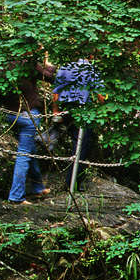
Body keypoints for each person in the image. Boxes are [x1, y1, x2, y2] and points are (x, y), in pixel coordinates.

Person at [3, 50, 56, 204]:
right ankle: (16, 196)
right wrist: (49, 65)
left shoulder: (3, 63)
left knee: (29, 147)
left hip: (10, 114)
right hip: (28, 116)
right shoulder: (28, 64)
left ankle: (37, 187)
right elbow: (50, 78)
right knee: (24, 154)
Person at [52, 58, 105, 191]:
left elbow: (56, 93)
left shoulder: (64, 67)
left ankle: (72, 181)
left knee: (76, 143)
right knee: (82, 146)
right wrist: (104, 111)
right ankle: (72, 183)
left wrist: (55, 111)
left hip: (66, 109)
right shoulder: (90, 68)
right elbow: (101, 95)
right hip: (83, 111)